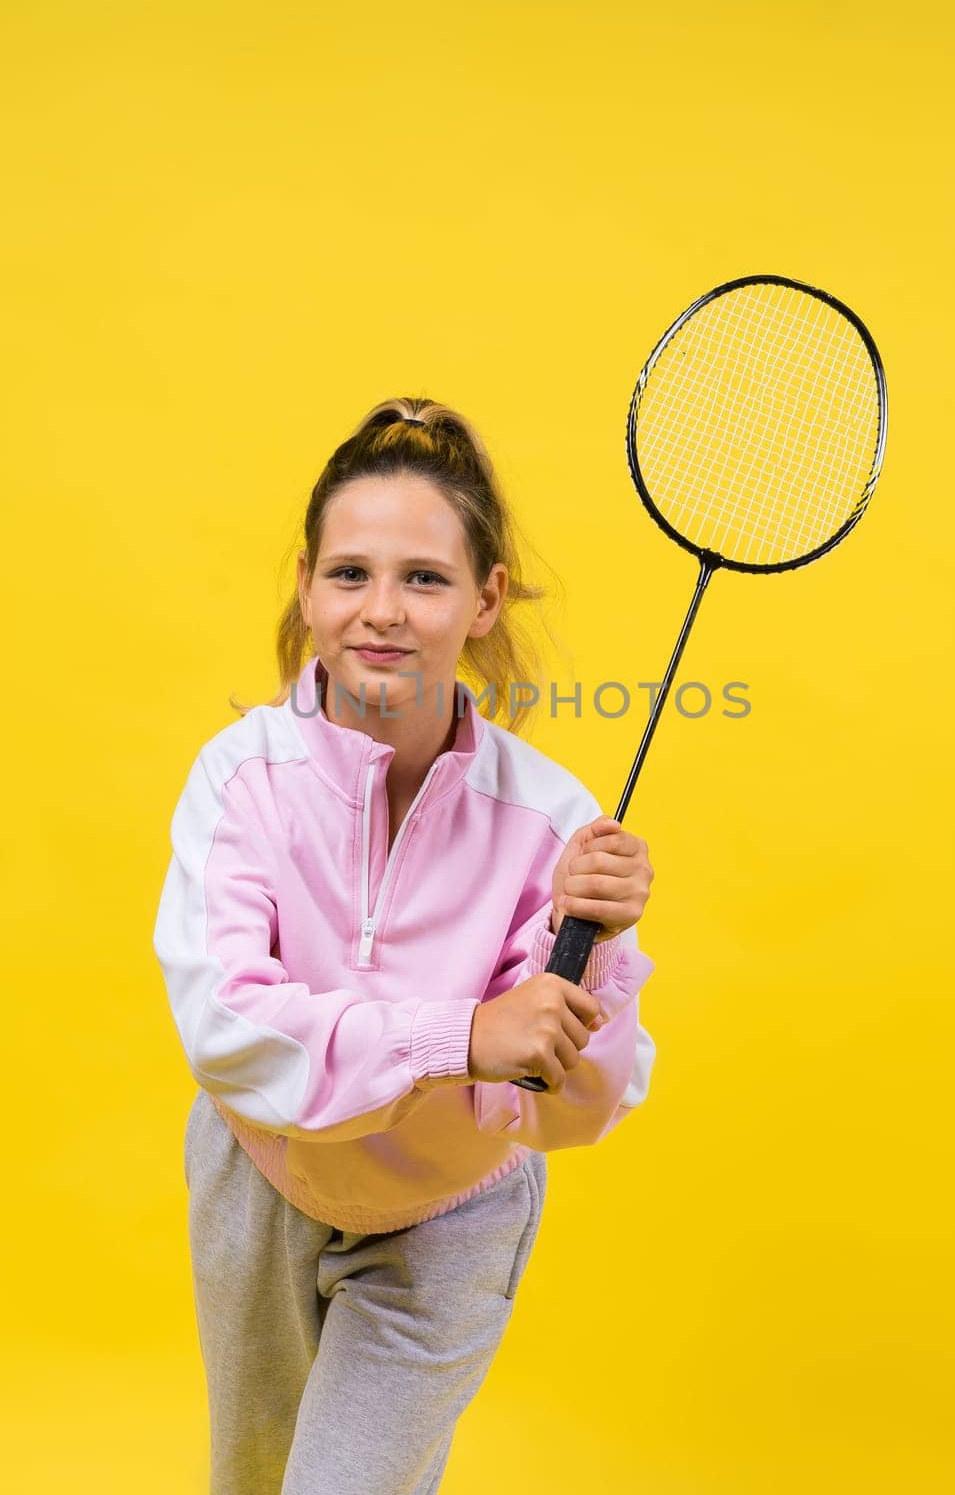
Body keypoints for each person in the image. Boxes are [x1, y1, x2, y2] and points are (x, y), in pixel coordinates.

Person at [153, 396, 657, 1495]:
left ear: (484, 599)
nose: (380, 612)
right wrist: (460, 1032)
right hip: (260, 1175)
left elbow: (568, 1108)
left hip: (449, 1210)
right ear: (305, 585)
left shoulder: (553, 821)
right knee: (254, 1479)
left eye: (423, 578)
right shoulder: (237, 778)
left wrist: (598, 957)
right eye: (349, 574)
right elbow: (229, 1027)